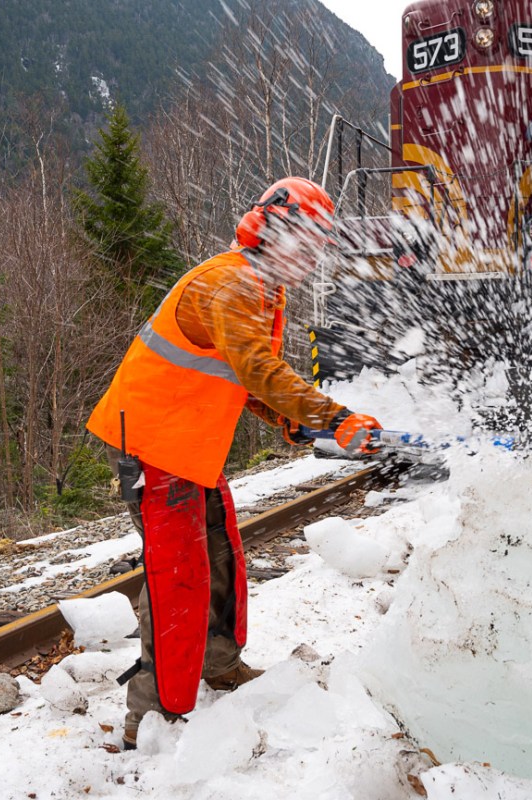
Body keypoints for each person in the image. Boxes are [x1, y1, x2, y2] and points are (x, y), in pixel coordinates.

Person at [86, 176, 383, 750]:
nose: (310, 252)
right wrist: (333, 417)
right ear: (270, 230)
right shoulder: (234, 285)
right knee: (177, 576)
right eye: (304, 237)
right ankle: (149, 717)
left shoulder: (261, 289)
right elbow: (261, 372)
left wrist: (286, 419)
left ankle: (217, 662)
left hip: (190, 445)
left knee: (220, 555)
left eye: (317, 241)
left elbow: (241, 378)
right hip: (154, 443)